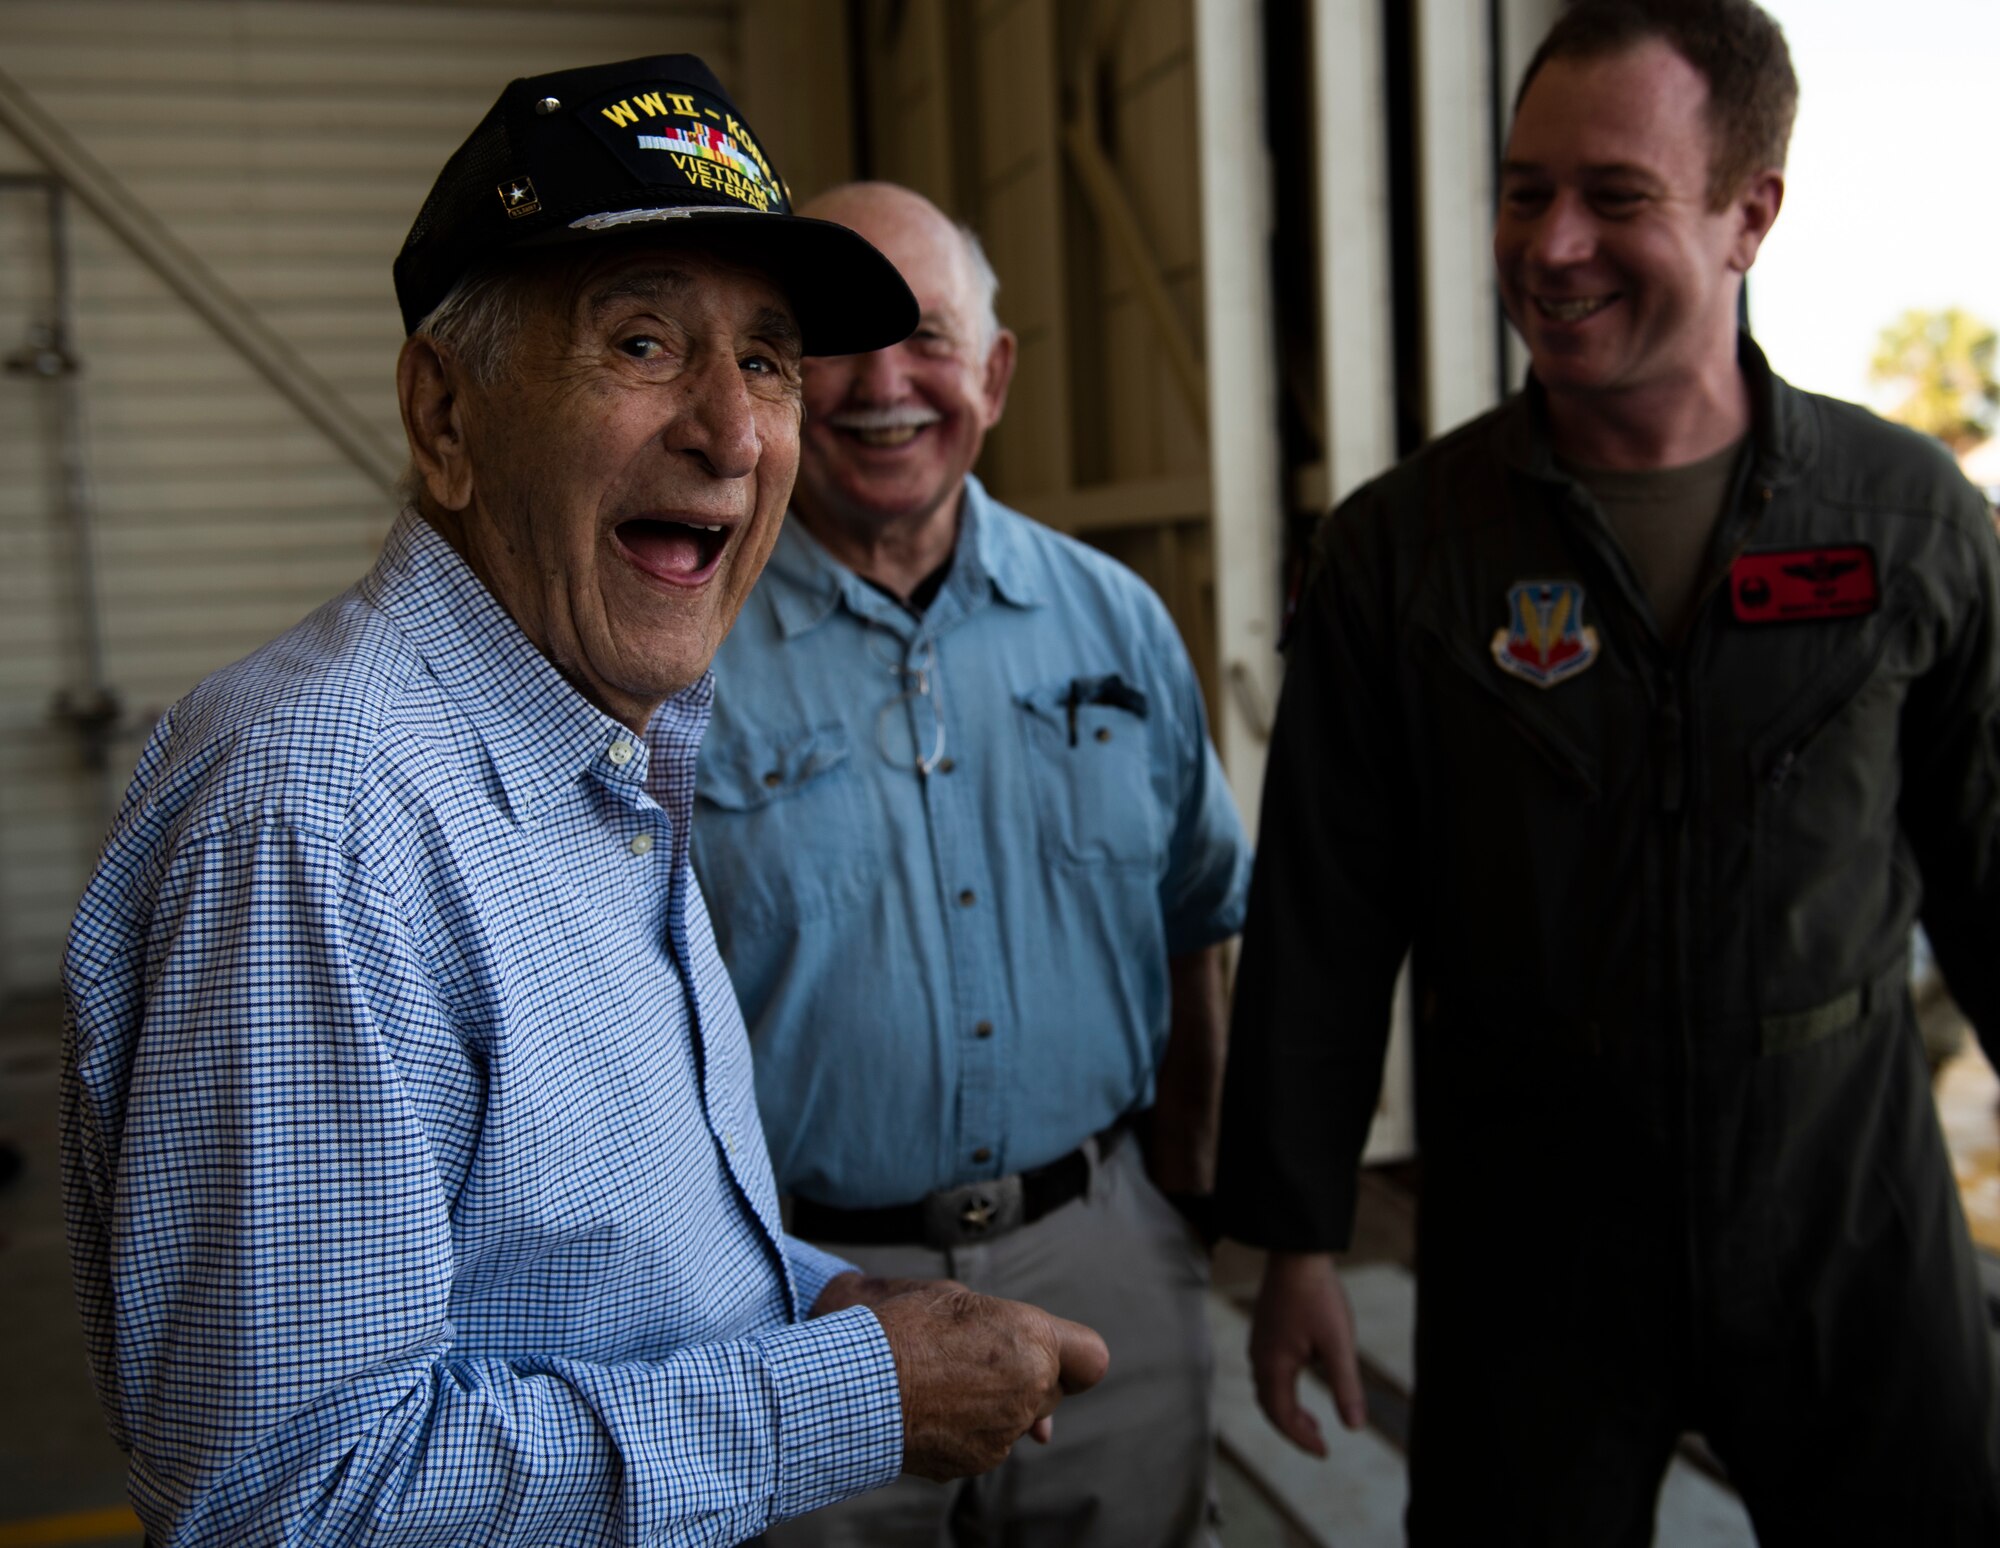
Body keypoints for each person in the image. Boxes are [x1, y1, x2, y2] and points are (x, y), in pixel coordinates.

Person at [60, 57, 1107, 1547]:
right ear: (445, 416)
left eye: (764, 358)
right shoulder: (319, 818)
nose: (735, 436)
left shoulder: (604, 739)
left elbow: (568, 1265)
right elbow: (287, 1501)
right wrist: (853, 1396)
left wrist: (820, 1305)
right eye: (640, 340)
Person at [1216, 2, 2000, 1543]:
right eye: (1523, 190)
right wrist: (1293, 1237)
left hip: (1850, 1212)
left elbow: (1988, 863)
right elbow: (1323, 912)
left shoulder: (1902, 522)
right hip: (1534, 1245)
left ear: (1748, 213)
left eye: (1615, 197)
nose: (1550, 244)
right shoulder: (1404, 552)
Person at [689, 181, 1251, 1546]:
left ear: (993, 374)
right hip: (799, 1300)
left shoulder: (1114, 620)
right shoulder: (679, 650)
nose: (887, 383)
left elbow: (1195, 921)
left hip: (1102, 1257)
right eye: (836, 344)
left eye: (928, 336)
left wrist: (1179, 1202)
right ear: (774, 380)